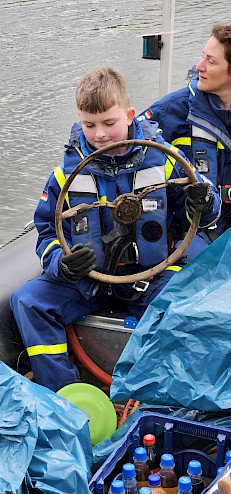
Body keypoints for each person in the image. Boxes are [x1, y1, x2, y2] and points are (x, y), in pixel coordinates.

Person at [10, 67, 220, 393]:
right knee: (28, 301)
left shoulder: (164, 161)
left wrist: (203, 200)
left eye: (109, 123)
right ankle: (65, 396)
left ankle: (159, 394)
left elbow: (199, 215)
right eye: (89, 125)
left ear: (130, 115)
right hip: (87, 282)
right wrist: (60, 265)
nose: (100, 135)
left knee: (190, 306)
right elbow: (46, 231)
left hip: (151, 277)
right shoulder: (65, 176)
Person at [140, 23, 231, 239]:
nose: (199, 66)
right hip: (196, 234)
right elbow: (126, 142)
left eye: (211, 61)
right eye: (203, 57)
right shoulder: (174, 109)